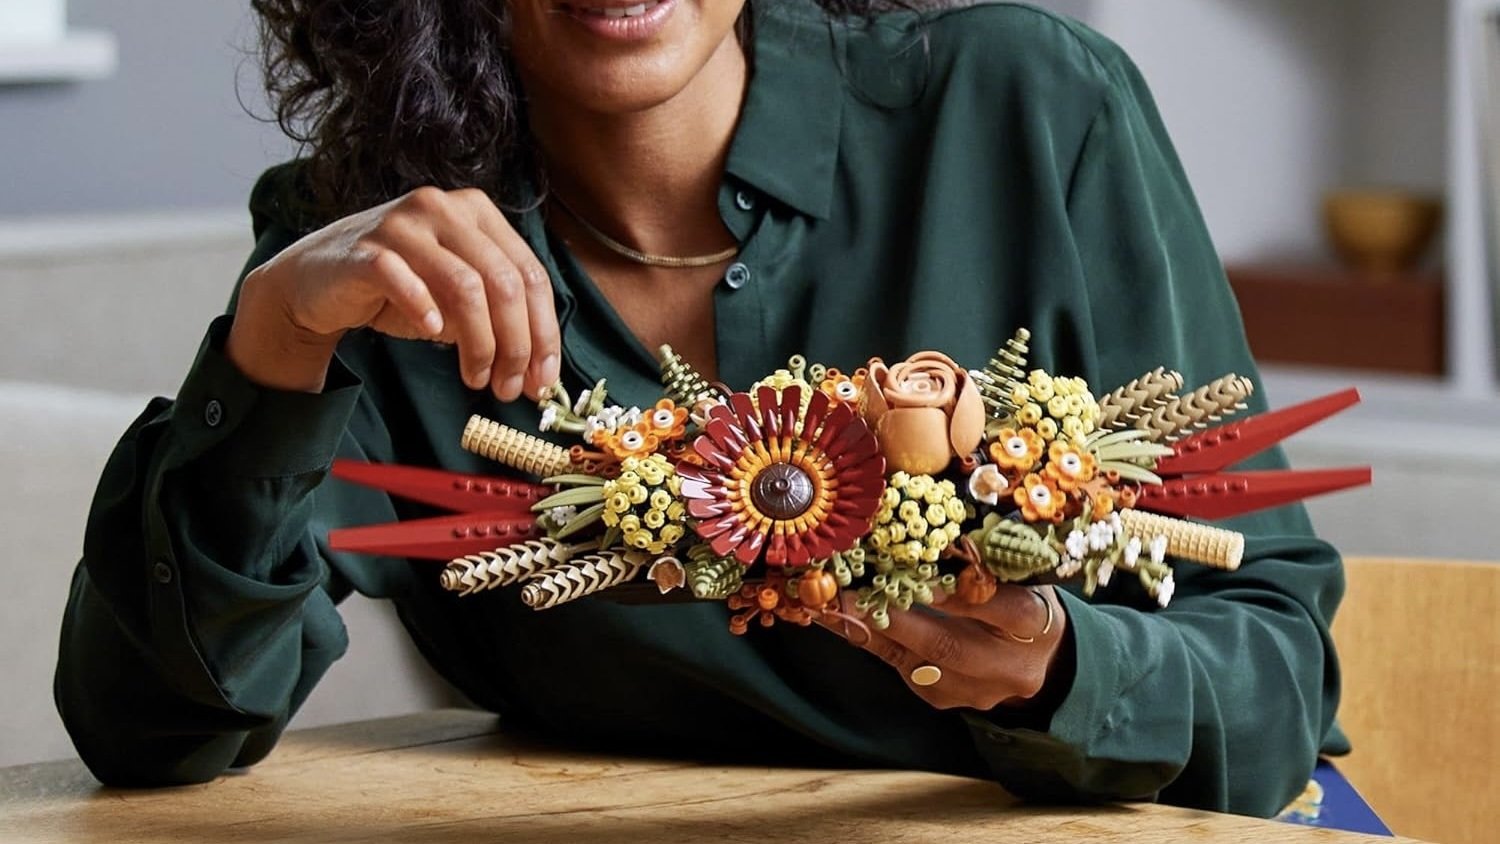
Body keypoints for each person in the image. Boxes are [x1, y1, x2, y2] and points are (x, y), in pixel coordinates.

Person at [55, 0, 1346, 817]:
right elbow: (154, 734)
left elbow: (1280, 682)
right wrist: (276, 332)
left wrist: (1059, 670)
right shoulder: (376, 252)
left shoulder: (1029, 107)